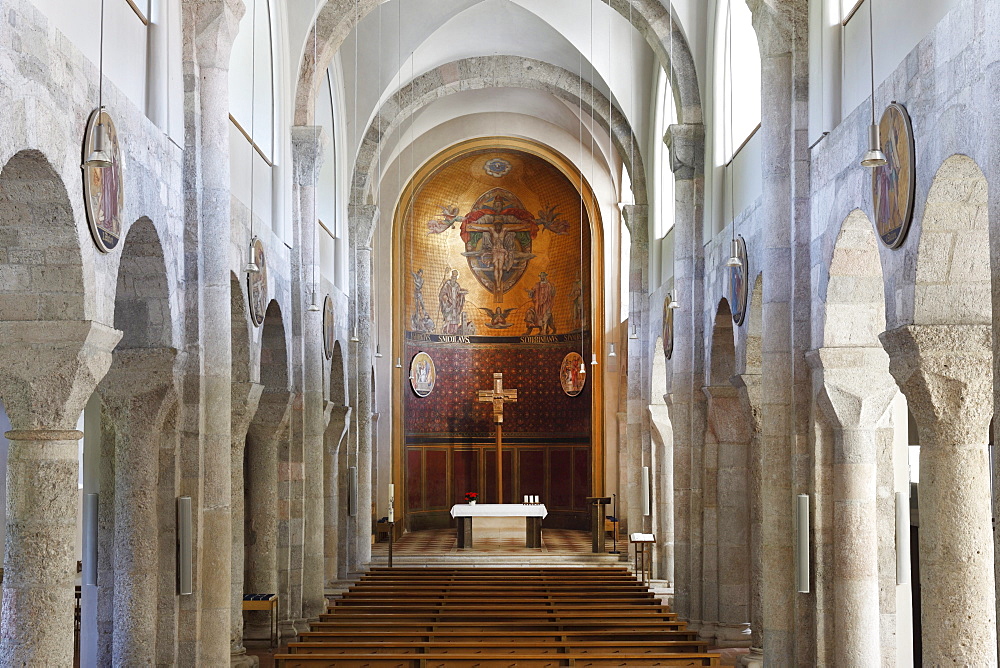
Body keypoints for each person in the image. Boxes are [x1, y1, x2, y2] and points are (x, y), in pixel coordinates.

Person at [439, 270, 469, 335]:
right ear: (451, 276)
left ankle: (454, 332)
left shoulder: (457, 285)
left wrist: (461, 295)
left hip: (455, 304)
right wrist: (446, 298)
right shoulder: (447, 284)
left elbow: (459, 293)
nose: (454, 277)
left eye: (455, 276)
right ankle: (447, 331)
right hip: (448, 305)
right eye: (453, 276)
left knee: (455, 318)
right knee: (449, 318)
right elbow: (442, 293)